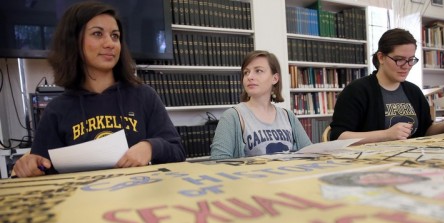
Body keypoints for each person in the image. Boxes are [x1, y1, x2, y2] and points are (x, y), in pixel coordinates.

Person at [13, 1, 186, 177]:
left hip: (140, 200)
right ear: (74, 41)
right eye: (97, 34)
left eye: (115, 36)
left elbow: (178, 151)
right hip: (84, 202)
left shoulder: (144, 96)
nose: (110, 43)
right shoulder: (57, 110)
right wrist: (29, 166)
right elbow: (41, 167)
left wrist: (150, 147)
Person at [329, 28, 444, 144]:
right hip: (371, 165)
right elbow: (337, 136)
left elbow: (425, 131)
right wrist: (385, 135)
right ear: (381, 57)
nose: (406, 66)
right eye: (399, 59)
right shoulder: (357, 91)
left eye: (411, 59)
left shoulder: (413, 91)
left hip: (411, 161)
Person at [210, 50, 311, 159]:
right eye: (246, 72)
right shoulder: (232, 116)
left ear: (275, 78)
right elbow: (218, 162)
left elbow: (310, 153)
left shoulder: (288, 116)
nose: (250, 77)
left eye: (258, 71)